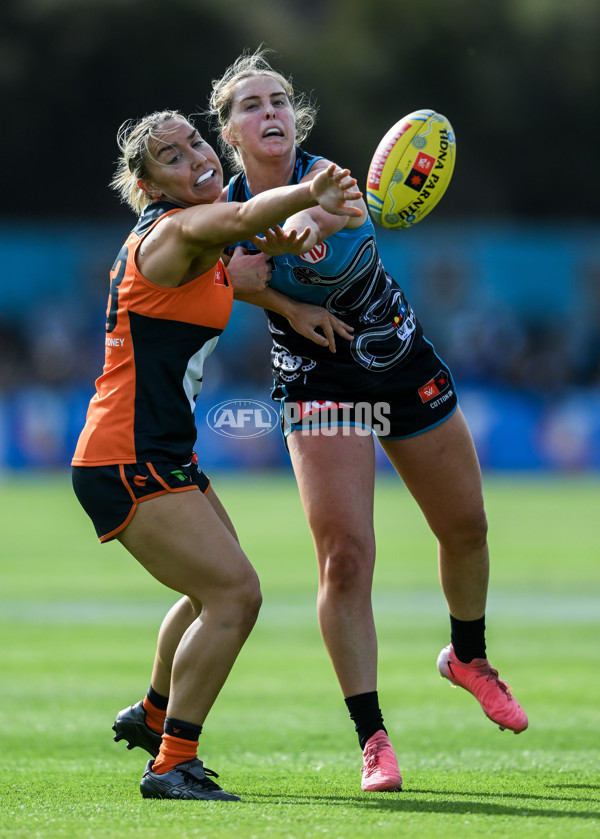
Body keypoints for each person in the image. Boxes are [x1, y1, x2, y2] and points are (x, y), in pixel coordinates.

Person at [206, 50, 530, 792]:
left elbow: (306, 225)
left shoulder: (338, 180)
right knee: (345, 557)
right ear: (230, 132)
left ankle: (468, 656)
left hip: (400, 360)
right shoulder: (221, 209)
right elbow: (236, 271)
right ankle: (372, 736)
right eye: (252, 105)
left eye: (281, 99)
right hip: (319, 378)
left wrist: (266, 259)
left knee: (468, 527)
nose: (272, 113)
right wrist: (287, 305)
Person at [72, 108, 362, 802]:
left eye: (196, 142)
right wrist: (309, 190)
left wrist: (289, 303)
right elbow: (236, 227)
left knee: (213, 589)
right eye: (172, 157)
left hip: (155, 452)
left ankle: (151, 715)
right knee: (236, 594)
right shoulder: (179, 229)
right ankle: (172, 762)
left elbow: (242, 259)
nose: (196, 158)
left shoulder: (196, 234)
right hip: (128, 456)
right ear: (148, 186)